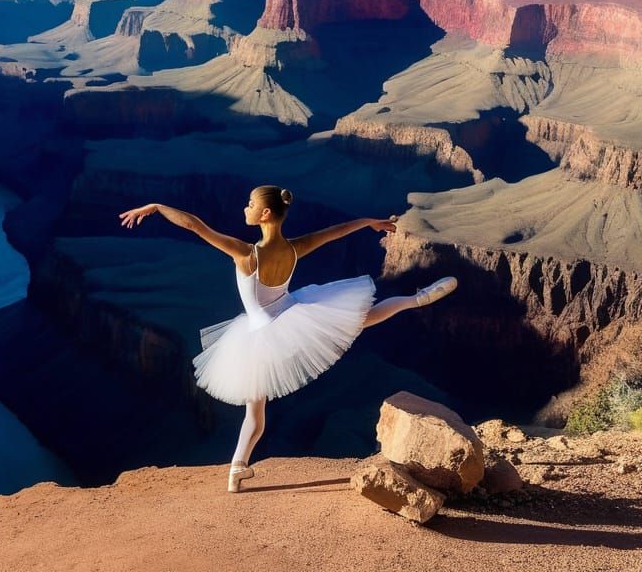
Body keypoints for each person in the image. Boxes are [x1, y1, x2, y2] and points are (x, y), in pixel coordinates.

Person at [118, 186, 457, 493]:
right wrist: (370, 221)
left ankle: (237, 469)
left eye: (250, 204)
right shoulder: (295, 248)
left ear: (265, 214)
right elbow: (335, 233)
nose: (245, 208)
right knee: (363, 319)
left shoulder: (246, 253)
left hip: (261, 334)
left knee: (256, 410)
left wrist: (157, 206)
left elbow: (196, 226)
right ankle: (417, 299)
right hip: (294, 316)